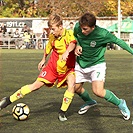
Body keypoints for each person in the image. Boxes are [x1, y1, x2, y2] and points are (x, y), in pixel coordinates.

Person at [0, 14, 95, 122]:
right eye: (51, 29)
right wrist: (43, 59)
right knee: (35, 86)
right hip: (52, 68)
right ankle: (7, 100)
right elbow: (48, 48)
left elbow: (73, 43)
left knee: (72, 84)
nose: (52, 32)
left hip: (68, 68)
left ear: (60, 26)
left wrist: (67, 52)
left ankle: (62, 112)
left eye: (53, 29)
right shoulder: (52, 37)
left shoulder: (69, 34)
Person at [74, 12, 133, 120]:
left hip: (96, 65)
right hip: (80, 63)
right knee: (75, 88)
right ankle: (89, 102)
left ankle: (120, 103)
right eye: (81, 28)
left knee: (98, 91)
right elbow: (75, 36)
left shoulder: (103, 34)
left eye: (85, 29)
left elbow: (120, 42)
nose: (82, 31)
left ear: (93, 27)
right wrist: (77, 44)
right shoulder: (78, 27)